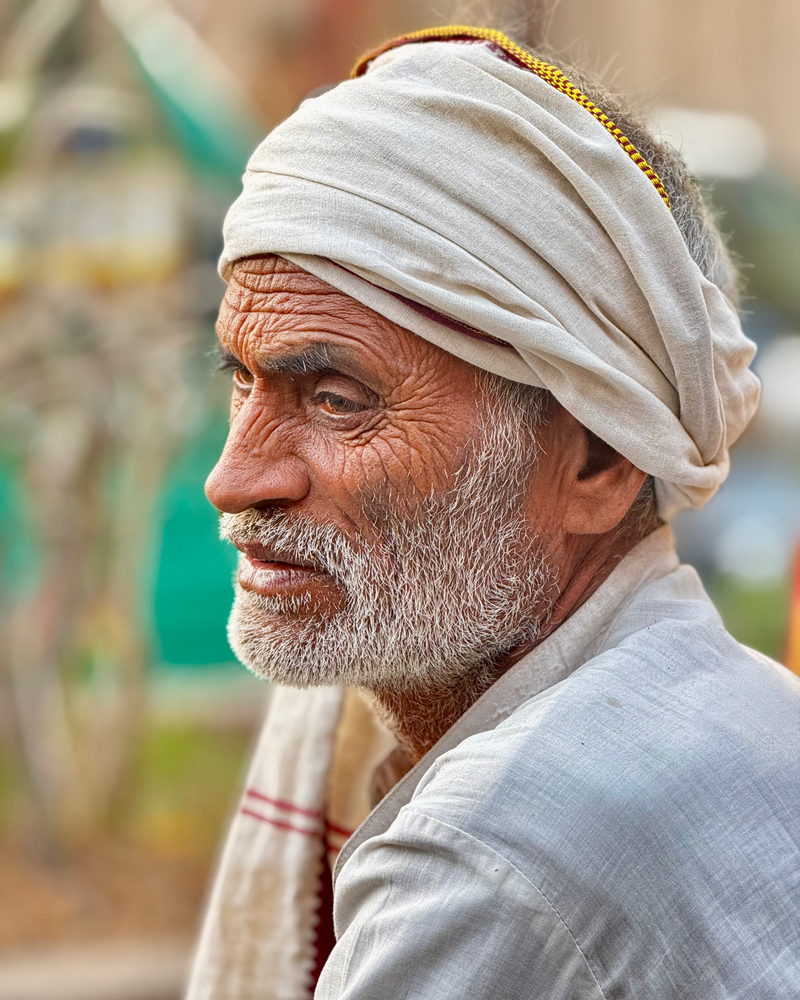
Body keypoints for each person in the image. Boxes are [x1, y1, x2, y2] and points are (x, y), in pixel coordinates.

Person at [185, 26, 800, 1000]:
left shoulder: (492, 848)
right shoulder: (754, 710)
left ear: (594, 458)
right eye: (242, 379)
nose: (234, 476)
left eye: (335, 397)